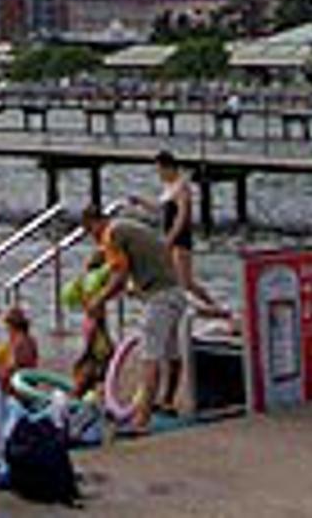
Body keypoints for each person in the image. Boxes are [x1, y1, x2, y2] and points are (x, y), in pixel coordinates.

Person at [80, 203, 186, 432]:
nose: (93, 238)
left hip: (159, 297)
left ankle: (141, 421)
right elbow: (127, 271)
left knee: (150, 357)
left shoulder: (112, 234)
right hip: (176, 292)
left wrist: (99, 300)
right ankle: (167, 401)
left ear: (94, 224)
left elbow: (119, 276)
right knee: (171, 351)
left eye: (90, 232)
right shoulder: (127, 227)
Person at [129, 150, 225, 316]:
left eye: (160, 171)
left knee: (186, 282)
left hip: (180, 239)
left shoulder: (182, 187)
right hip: (169, 238)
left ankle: (214, 308)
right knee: (173, 280)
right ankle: (200, 309)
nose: (159, 175)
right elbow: (158, 208)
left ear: (169, 168)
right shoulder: (169, 187)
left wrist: (171, 238)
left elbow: (182, 215)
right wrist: (139, 201)